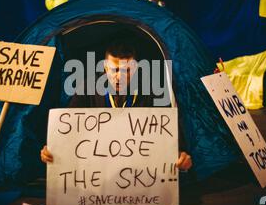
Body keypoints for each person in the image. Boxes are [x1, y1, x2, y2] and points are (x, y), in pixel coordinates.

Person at [40, 37, 193, 172]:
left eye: (127, 70)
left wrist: (180, 154)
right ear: (105, 68)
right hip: (97, 170)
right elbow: (68, 126)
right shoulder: (87, 88)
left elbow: (170, 134)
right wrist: (54, 147)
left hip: (140, 172)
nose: (119, 77)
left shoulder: (153, 91)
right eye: (114, 70)